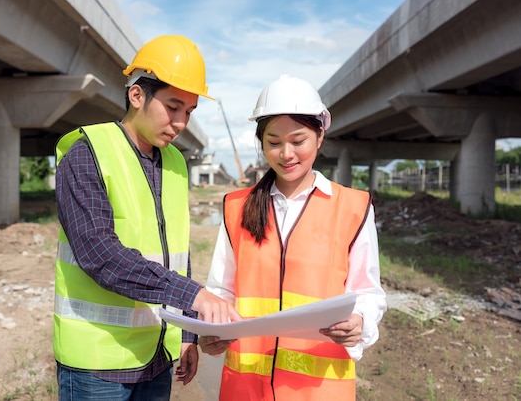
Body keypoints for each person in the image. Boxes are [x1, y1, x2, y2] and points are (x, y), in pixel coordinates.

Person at [53, 34, 242, 401]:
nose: (181, 122)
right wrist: (198, 297)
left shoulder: (174, 163)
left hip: (157, 358)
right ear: (137, 95)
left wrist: (187, 335)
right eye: (173, 107)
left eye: (189, 111)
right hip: (97, 364)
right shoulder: (87, 152)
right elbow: (99, 253)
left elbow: (178, 256)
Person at [198, 75, 387, 400]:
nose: (286, 153)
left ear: (319, 136)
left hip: (319, 389)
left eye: (298, 141)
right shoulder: (237, 207)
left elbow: (368, 291)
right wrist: (212, 330)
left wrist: (360, 320)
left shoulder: (353, 207)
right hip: (245, 386)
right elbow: (220, 290)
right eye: (273, 142)